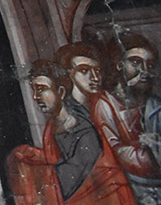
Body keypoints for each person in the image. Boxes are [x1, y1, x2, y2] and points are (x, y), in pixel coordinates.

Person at [8, 59, 134, 204]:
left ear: (61, 92)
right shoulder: (52, 127)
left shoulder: (84, 131)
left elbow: (67, 181)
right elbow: (57, 161)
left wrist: (31, 172)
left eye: (41, 89)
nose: (36, 97)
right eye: (34, 90)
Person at [92, 33, 161, 204]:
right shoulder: (105, 104)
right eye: (135, 62)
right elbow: (116, 154)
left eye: (149, 65)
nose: (144, 71)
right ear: (119, 65)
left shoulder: (154, 104)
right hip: (127, 187)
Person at [57, 42, 105, 110]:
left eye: (97, 70)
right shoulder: (67, 110)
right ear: (70, 73)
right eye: (84, 70)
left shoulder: (104, 103)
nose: (95, 78)